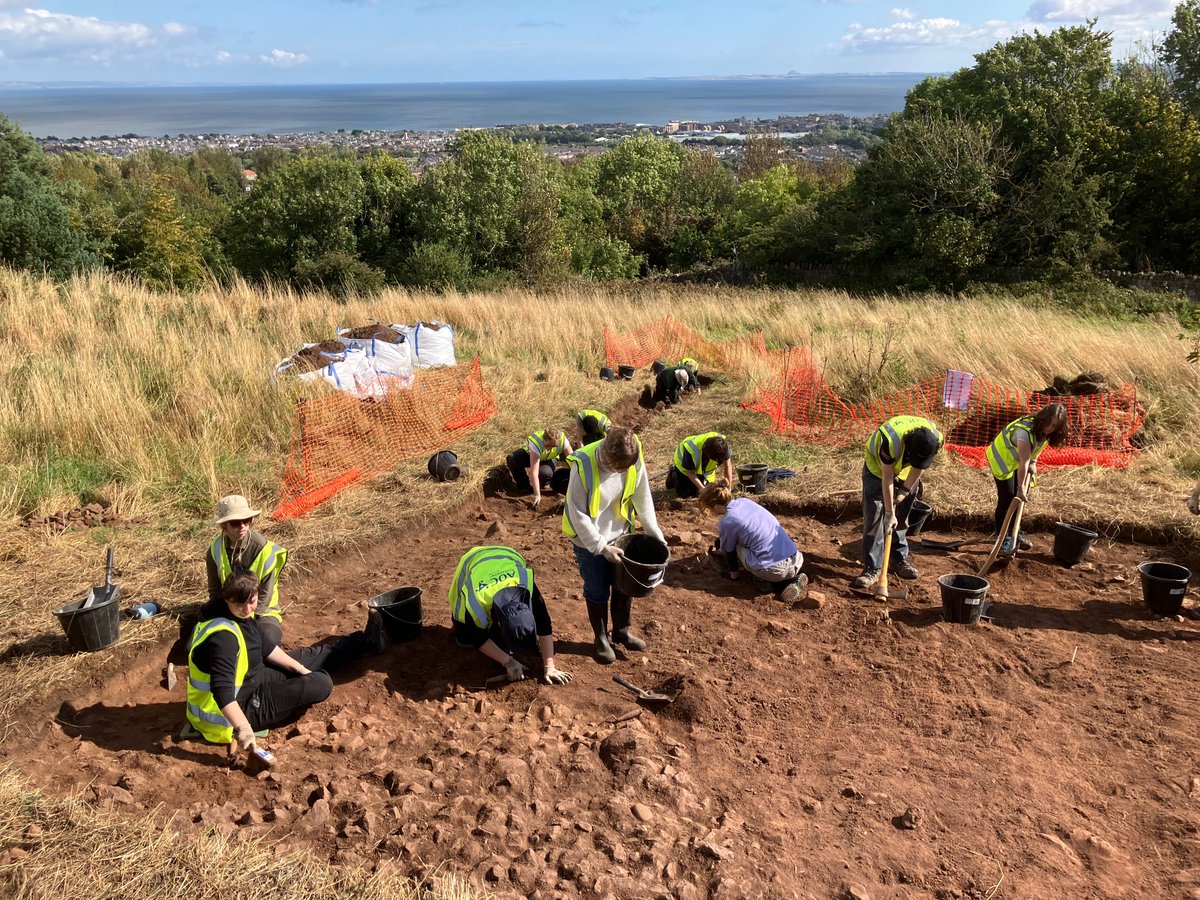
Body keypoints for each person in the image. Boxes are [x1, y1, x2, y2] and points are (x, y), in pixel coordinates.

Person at [186, 572, 385, 756]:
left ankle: (366, 642)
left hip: (255, 675)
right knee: (321, 683)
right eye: (240, 604)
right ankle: (293, 694)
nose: (247, 609)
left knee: (312, 656)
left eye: (252, 601)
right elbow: (222, 692)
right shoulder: (223, 639)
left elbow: (267, 649)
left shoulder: (240, 613)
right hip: (241, 706)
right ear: (227, 598)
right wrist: (244, 728)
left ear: (256, 594)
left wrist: (299, 668)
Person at [563, 426, 666, 663]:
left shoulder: (633, 454)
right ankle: (600, 638)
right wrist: (600, 547)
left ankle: (621, 632)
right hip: (589, 540)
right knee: (597, 588)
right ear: (606, 457)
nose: (622, 472)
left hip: (620, 532)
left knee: (624, 584)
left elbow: (642, 495)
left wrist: (655, 533)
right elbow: (577, 512)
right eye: (617, 469)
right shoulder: (584, 465)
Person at [449, 546, 572, 686]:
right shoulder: (475, 603)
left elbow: (544, 623)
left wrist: (549, 666)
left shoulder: (529, 589)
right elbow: (478, 638)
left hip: (507, 554)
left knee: (505, 640)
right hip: (472, 560)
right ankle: (481, 632)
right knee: (465, 640)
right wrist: (508, 661)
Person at [851, 415, 943, 592]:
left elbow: (919, 468)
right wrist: (888, 512)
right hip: (878, 468)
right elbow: (886, 479)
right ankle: (873, 568)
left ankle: (899, 559)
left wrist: (904, 492)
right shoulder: (889, 442)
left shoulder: (935, 440)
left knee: (902, 514)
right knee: (875, 514)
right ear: (908, 447)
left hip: (905, 469)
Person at [698, 481, 808, 602]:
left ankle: (775, 585)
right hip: (796, 559)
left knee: (735, 545)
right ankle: (793, 579)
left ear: (716, 506)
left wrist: (733, 576)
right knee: (746, 539)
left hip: (775, 570)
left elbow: (729, 552)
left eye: (710, 508)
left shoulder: (727, 521)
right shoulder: (745, 501)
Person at [986, 403, 1069, 553]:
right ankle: (1002, 539)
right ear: (1043, 417)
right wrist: (1019, 489)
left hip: (1018, 461)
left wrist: (1034, 462)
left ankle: (1015, 532)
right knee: (1008, 498)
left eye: (1054, 425)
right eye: (1048, 422)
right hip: (1002, 460)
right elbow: (1023, 461)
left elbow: (1032, 453)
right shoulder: (1024, 432)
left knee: (1020, 500)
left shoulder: (1044, 433)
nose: (1049, 427)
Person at [206, 495, 288, 647]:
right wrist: (228, 615)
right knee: (205, 634)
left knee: (267, 639)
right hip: (230, 606)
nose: (242, 526)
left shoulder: (263, 549)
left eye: (247, 520)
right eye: (236, 522)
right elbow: (214, 592)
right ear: (224, 525)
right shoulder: (215, 549)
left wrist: (248, 621)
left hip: (260, 611)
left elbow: (265, 595)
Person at [506, 428, 573, 508]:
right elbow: (533, 473)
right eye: (549, 446)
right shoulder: (536, 443)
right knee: (512, 459)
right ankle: (524, 487)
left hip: (549, 459)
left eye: (554, 446)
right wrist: (537, 495)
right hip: (532, 455)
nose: (551, 449)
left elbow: (573, 460)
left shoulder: (563, 440)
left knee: (544, 473)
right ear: (544, 440)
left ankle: (544, 483)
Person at [667, 432, 734, 499]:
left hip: (704, 471)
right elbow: (690, 472)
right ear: (708, 454)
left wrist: (729, 488)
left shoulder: (721, 444)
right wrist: (704, 490)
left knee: (710, 492)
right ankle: (673, 474)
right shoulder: (691, 450)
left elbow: (728, 465)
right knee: (687, 494)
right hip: (685, 470)